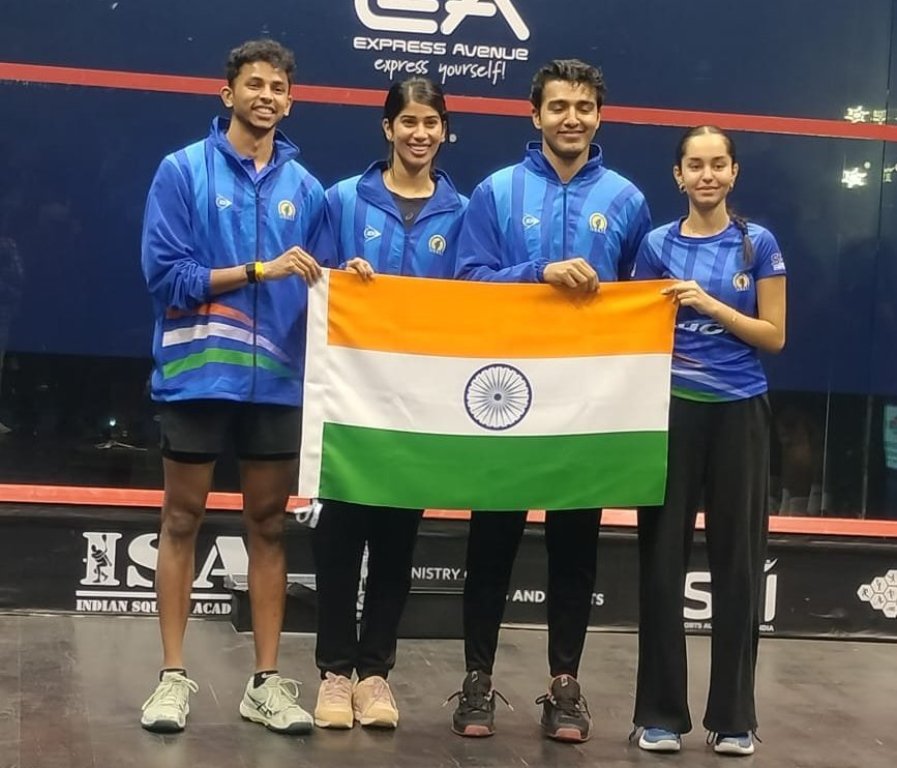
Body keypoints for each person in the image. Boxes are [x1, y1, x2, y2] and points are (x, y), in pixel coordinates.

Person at [450, 59, 651, 743]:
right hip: (504, 396)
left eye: (584, 106)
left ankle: (564, 686)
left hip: (585, 404)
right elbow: (468, 283)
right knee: (492, 541)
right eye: (558, 106)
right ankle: (477, 680)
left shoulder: (626, 199)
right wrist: (537, 273)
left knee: (574, 547)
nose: (572, 117)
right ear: (533, 116)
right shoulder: (494, 192)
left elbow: (639, 300)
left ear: (600, 116)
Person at [139, 39, 325, 735]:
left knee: (269, 527)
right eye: (253, 84)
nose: (265, 96)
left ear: (289, 99)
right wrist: (256, 271)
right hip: (195, 378)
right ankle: (171, 679)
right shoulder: (181, 170)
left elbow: (322, 285)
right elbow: (166, 278)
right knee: (181, 520)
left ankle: (267, 684)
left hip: (274, 385)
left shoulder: (306, 189)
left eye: (277, 86)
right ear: (227, 94)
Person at [309, 77, 467, 731]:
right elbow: (309, 276)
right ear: (387, 128)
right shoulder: (341, 198)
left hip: (416, 407)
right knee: (339, 538)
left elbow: (472, 294)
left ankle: (375, 675)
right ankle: (332, 675)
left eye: (430, 122)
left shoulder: (462, 209)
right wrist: (340, 277)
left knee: (397, 541)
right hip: (347, 398)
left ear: (444, 131)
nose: (419, 133)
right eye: (408, 121)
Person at [631, 125, 787, 756]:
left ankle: (735, 719)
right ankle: (661, 715)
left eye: (718, 165)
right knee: (662, 565)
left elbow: (773, 335)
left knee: (738, 566)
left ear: (733, 173)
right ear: (678, 175)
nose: (707, 176)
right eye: (695, 165)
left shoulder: (759, 245)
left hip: (740, 414)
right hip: (669, 414)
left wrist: (708, 305)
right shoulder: (655, 244)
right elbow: (634, 325)